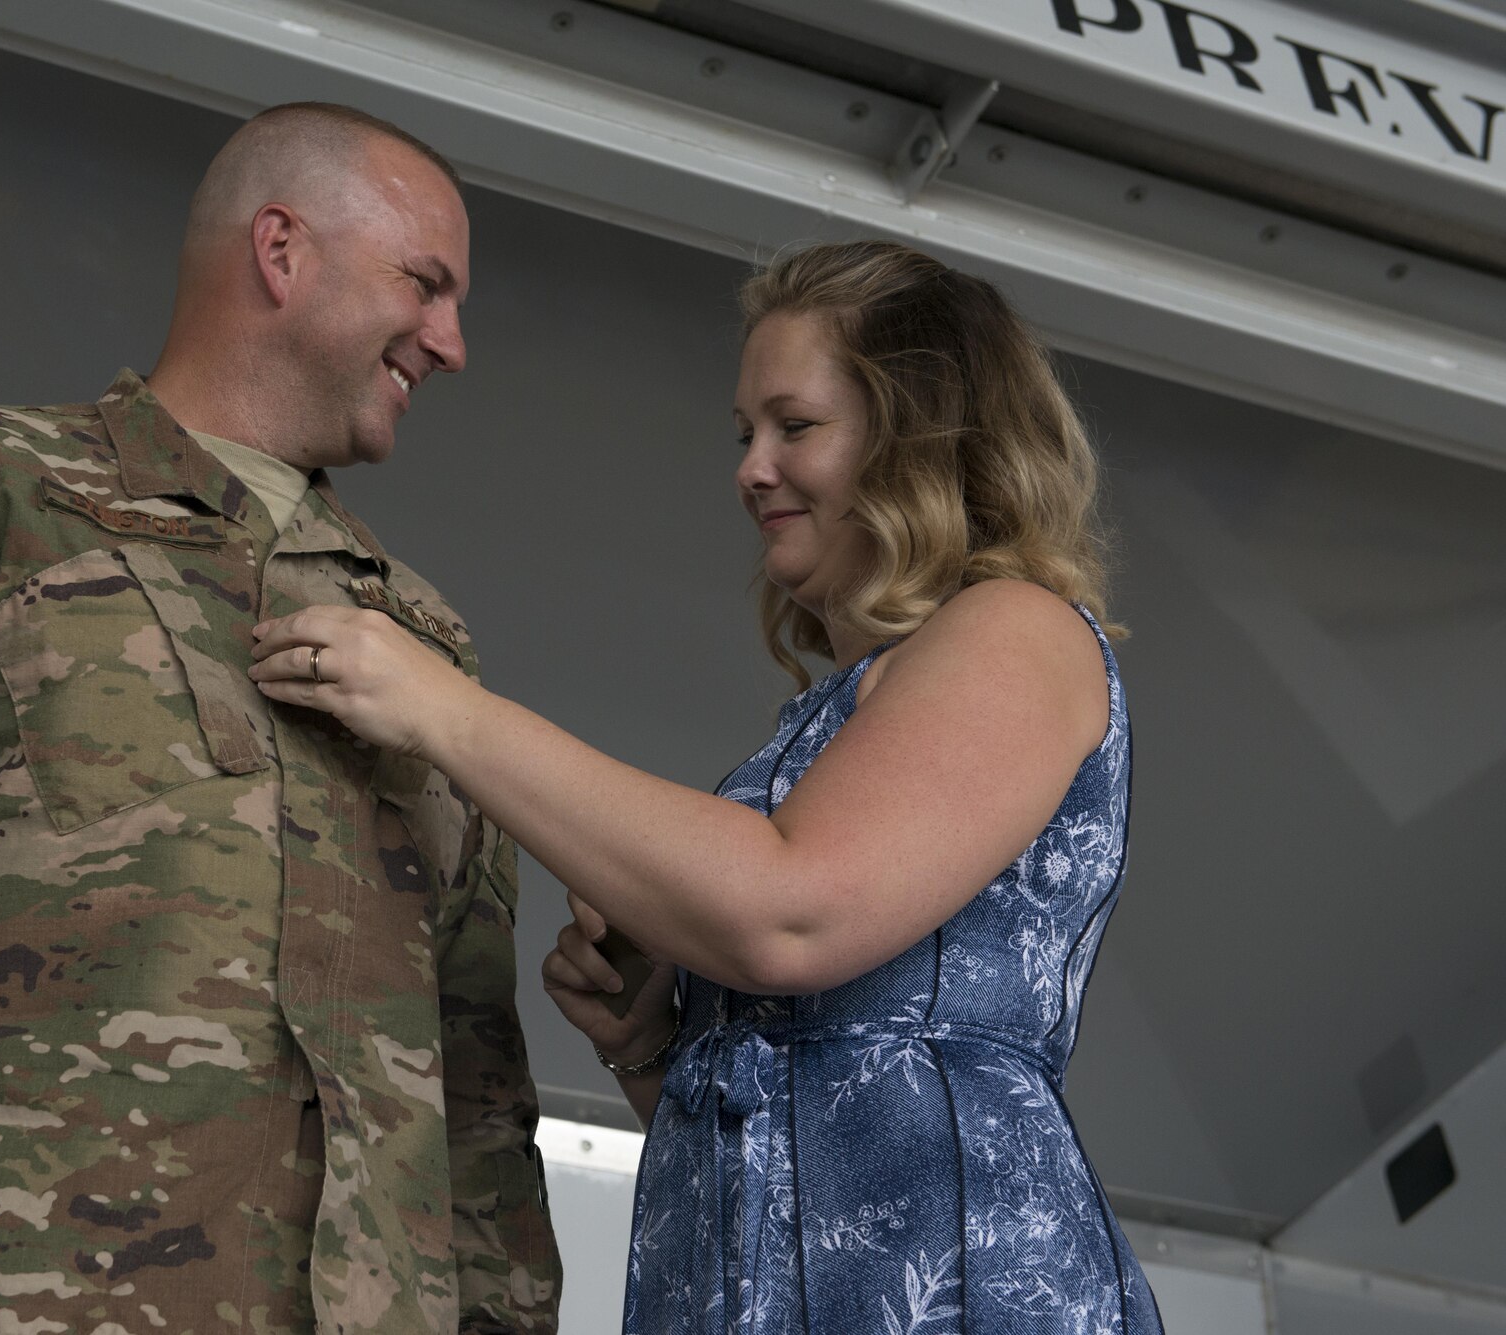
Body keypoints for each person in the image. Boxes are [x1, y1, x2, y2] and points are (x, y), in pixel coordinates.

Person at [0, 103, 561, 1335]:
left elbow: (480, 1123)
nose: (450, 343)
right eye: (425, 284)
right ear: (281, 251)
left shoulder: (429, 654)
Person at [250, 240, 1165, 1333]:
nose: (750, 469)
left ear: (918, 431)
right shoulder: (840, 711)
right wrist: (653, 1047)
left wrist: (438, 709)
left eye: (796, 425)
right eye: (745, 435)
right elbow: (800, 1112)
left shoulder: (1012, 630)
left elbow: (787, 910)